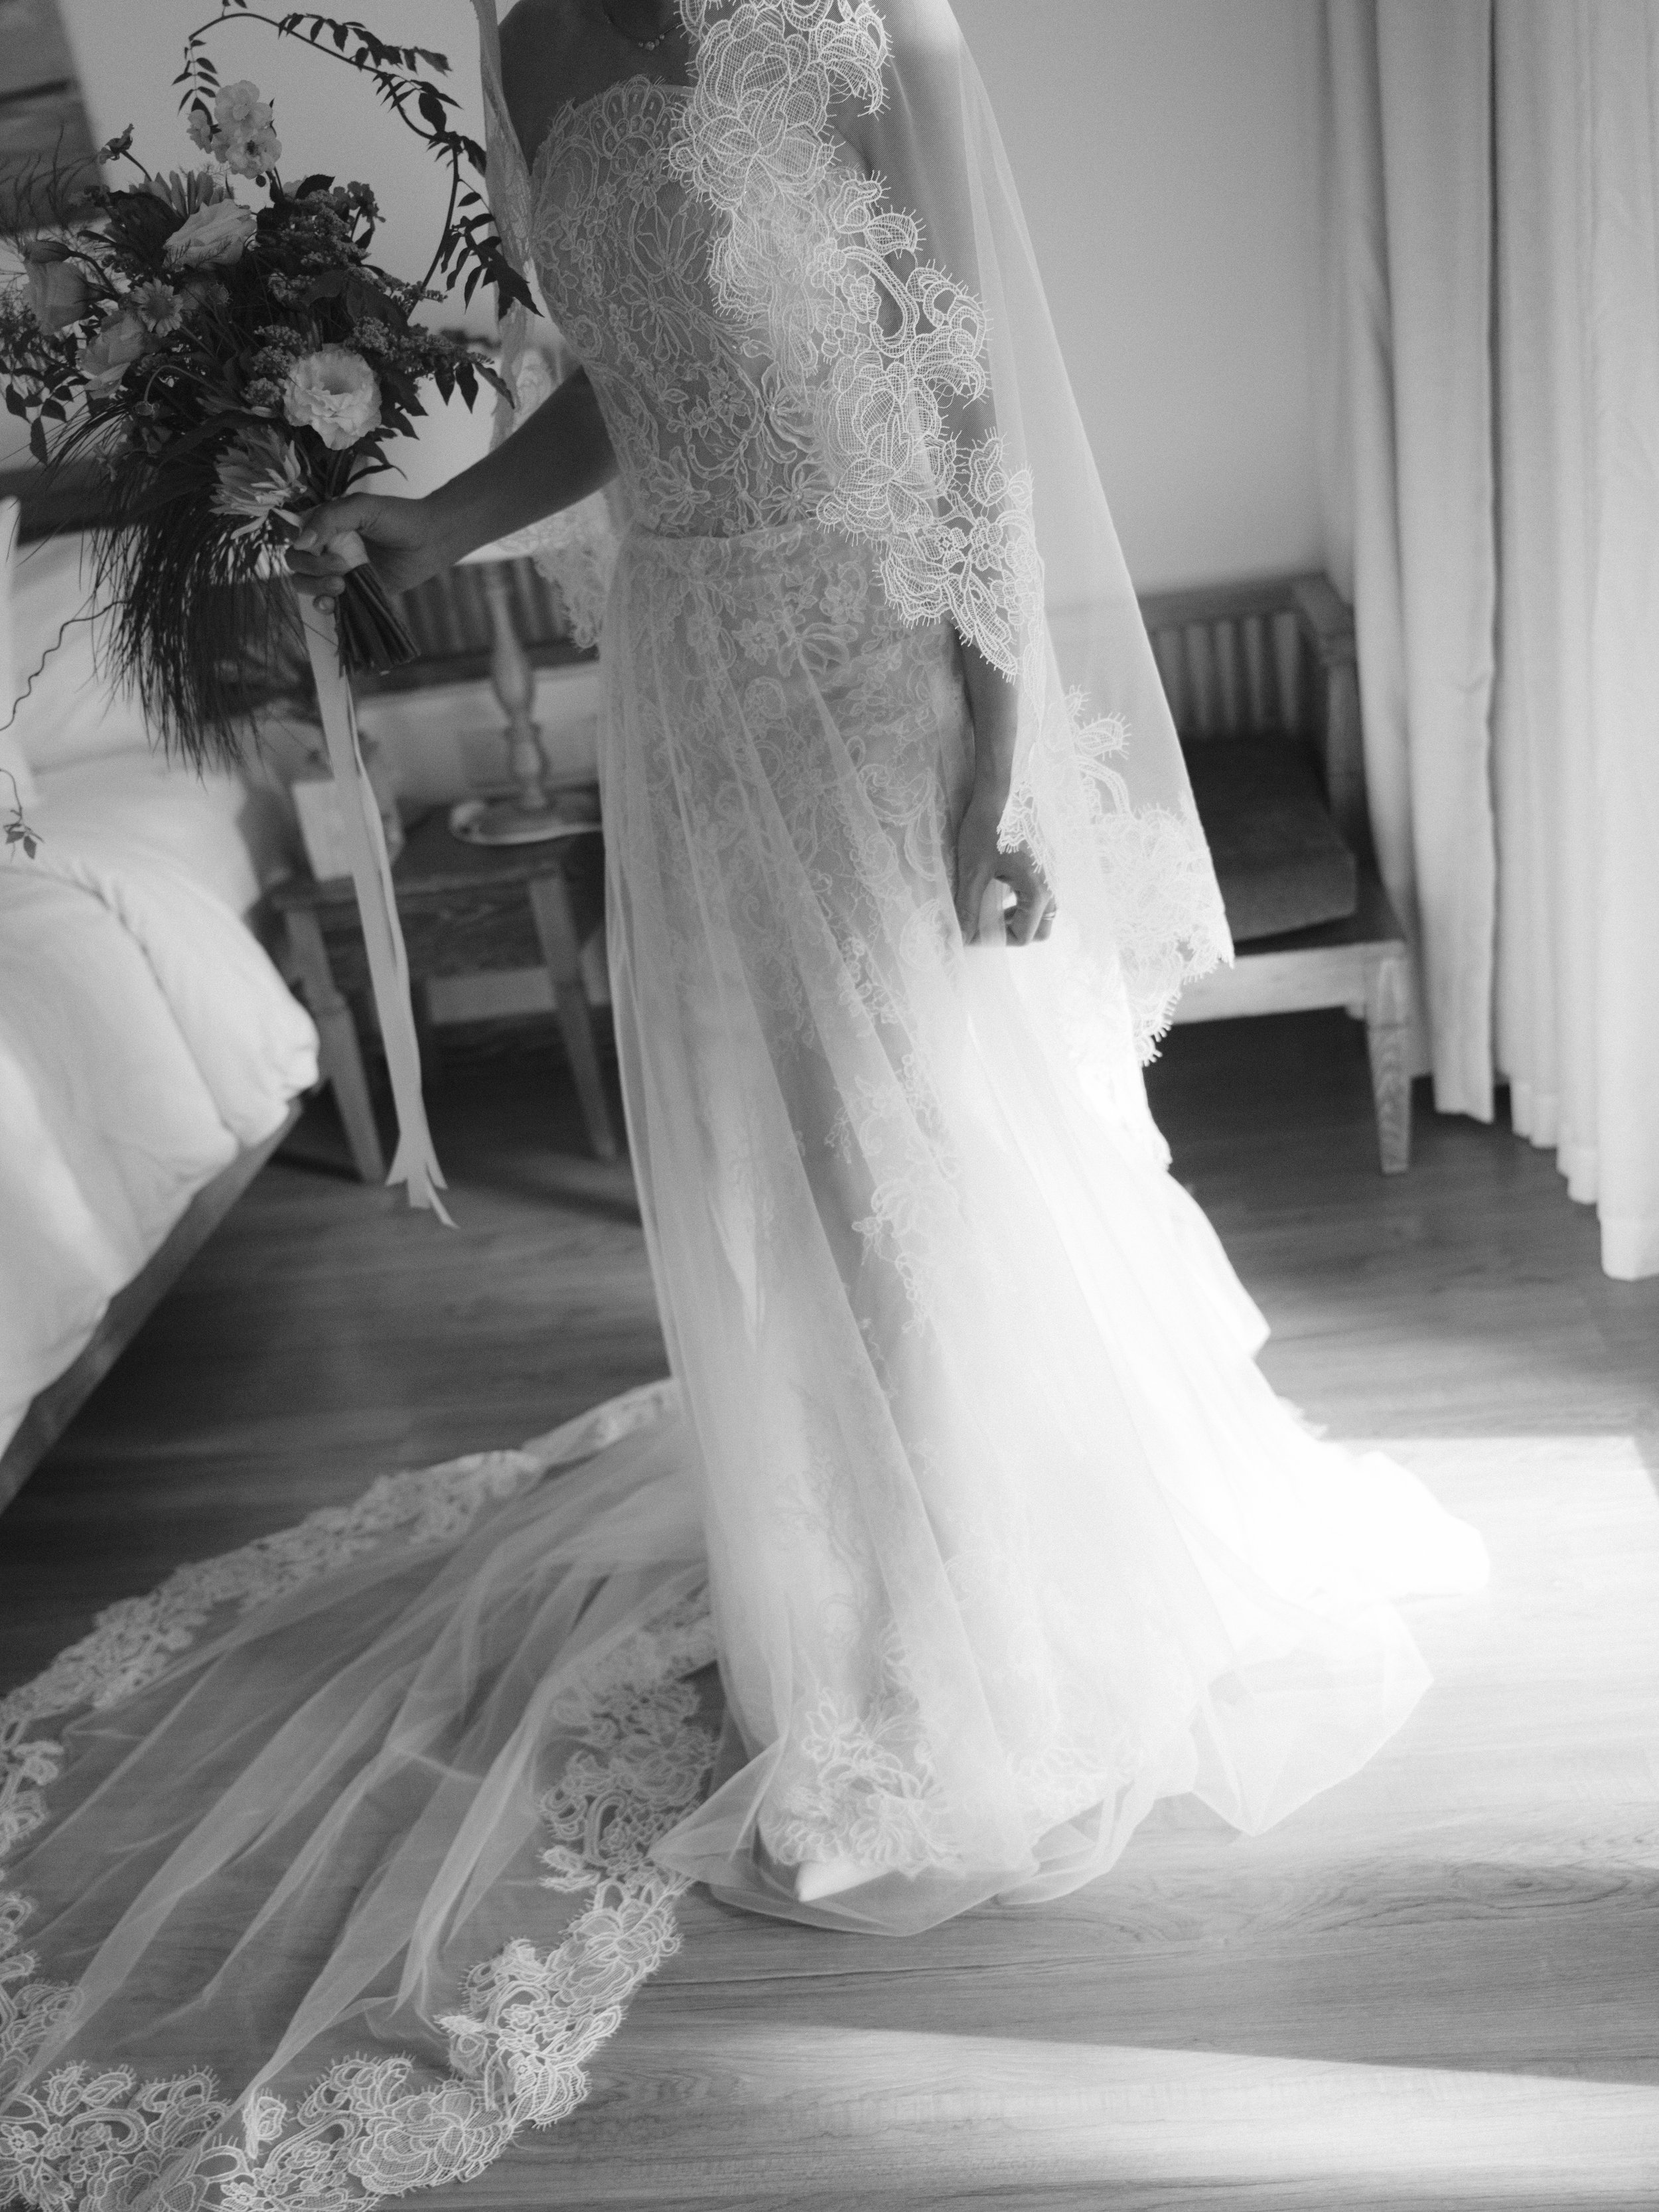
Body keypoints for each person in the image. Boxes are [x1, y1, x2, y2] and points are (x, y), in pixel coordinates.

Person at [0, 4, 1488, 2205]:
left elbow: (956, 385)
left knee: (903, 1150)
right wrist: (428, 527)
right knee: (776, 1159)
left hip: (874, 658)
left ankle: (966, 1639)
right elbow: (630, 384)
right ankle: (856, 1590)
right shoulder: (521, 34)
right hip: (688, 663)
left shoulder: (848, 29)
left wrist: (999, 748)